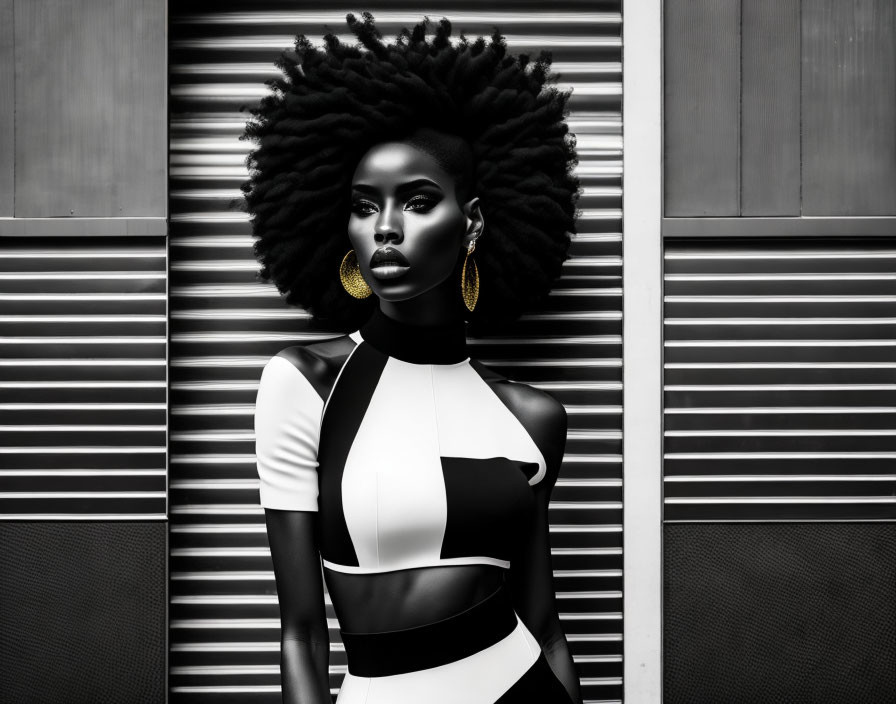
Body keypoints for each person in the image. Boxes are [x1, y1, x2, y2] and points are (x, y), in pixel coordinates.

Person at [243, 13, 582, 704]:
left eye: (418, 202)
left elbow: (545, 626)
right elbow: (301, 634)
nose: (387, 229)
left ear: (474, 223)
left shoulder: (532, 416)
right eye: (366, 207)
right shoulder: (306, 383)